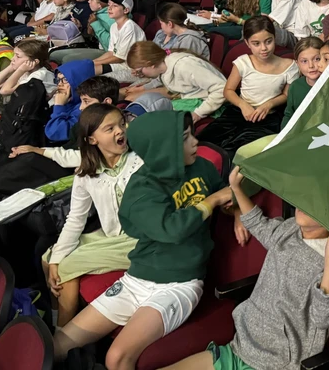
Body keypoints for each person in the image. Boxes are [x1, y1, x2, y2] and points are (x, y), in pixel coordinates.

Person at [52, 111, 234, 369]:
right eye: (184, 139)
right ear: (162, 148)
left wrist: (234, 211)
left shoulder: (201, 168)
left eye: (192, 134)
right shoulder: (142, 189)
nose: (195, 142)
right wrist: (211, 202)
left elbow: (225, 193)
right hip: (137, 280)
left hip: (180, 283)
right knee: (57, 345)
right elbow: (170, 229)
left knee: (116, 358)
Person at [164, 164, 329, 370]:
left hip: (275, 364)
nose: (304, 201)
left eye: (315, 200)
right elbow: (259, 224)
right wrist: (237, 189)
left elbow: (323, 319)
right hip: (239, 347)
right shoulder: (290, 228)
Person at [40, 104, 141, 327]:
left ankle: (61, 340)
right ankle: (56, 322)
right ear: (92, 140)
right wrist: (56, 258)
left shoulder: (139, 162)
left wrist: (61, 261)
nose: (120, 131)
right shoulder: (86, 172)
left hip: (139, 239)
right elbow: (76, 218)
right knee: (48, 258)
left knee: (65, 267)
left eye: (121, 124)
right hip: (112, 236)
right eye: (110, 128)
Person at [198, 16, 299, 156]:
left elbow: (287, 95)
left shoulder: (289, 66)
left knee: (243, 149)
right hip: (240, 111)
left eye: (268, 41)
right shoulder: (243, 62)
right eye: (256, 43)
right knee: (207, 140)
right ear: (247, 43)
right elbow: (228, 90)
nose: (263, 48)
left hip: (268, 117)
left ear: (275, 38)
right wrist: (242, 105)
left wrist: (269, 104)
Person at [125, 42, 227, 124]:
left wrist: (199, 113)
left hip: (211, 105)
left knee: (157, 118)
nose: (138, 73)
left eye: (139, 70)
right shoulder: (163, 68)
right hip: (191, 99)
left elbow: (222, 88)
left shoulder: (184, 66)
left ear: (150, 64)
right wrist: (143, 74)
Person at [91, 0, 145, 83]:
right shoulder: (114, 26)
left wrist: (93, 63)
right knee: (86, 69)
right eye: (109, 4)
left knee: (95, 79)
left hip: (132, 69)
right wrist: (92, 62)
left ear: (126, 10)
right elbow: (111, 52)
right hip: (119, 64)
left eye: (115, 6)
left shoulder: (130, 28)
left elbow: (119, 58)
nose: (109, 8)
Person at [281, 37, 324, 131]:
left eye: (317, 59)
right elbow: (289, 115)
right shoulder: (295, 87)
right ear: (297, 63)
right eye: (304, 61)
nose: (311, 66)